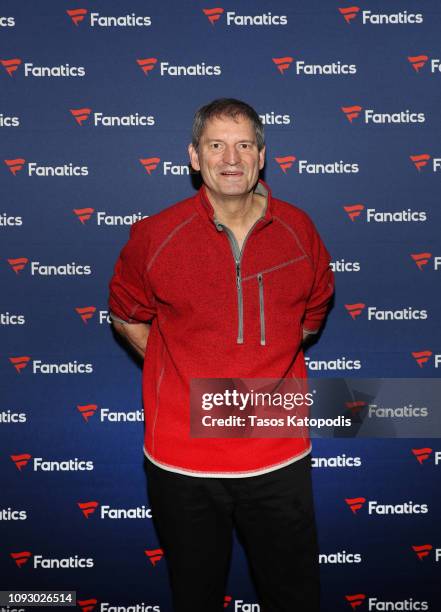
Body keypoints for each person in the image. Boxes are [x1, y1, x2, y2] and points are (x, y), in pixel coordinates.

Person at [108, 98, 334, 612]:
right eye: (216, 145)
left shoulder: (300, 231)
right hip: (183, 463)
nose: (230, 157)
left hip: (277, 456)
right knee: (195, 595)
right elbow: (125, 314)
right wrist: (182, 372)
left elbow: (313, 311)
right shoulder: (154, 235)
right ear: (194, 156)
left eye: (244, 145)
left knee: (295, 595)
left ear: (261, 157)